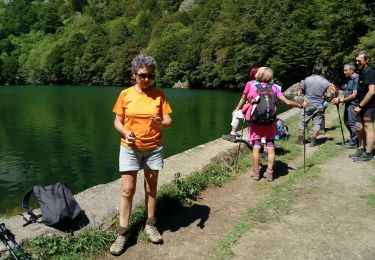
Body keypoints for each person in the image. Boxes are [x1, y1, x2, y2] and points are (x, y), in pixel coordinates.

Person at [110, 54, 172, 255]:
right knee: (127, 190)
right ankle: (123, 232)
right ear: (134, 74)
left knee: (151, 187)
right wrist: (126, 133)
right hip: (129, 149)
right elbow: (117, 122)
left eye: (151, 76)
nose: (147, 79)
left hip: (153, 148)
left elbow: (168, 122)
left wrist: (160, 122)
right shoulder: (125, 94)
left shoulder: (159, 95)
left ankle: (150, 223)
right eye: (143, 75)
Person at [248, 67, 304, 182]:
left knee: (256, 147)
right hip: (270, 122)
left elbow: (250, 102)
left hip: (256, 123)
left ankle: (256, 172)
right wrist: (300, 105)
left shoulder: (253, 87)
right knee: (270, 146)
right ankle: (269, 173)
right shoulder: (274, 88)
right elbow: (287, 102)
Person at [296, 64, 330, 147]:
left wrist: (306, 95)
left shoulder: (307, 79)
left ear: (313, 71)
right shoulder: (325, 81)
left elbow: (302, 90)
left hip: (308, 104)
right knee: (317, 124)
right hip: (319, 105)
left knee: (303, 122)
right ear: (321, 71)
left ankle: (301, 140)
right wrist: (324, 98)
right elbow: (329, 95)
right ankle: (313, 141)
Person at [222, 66, 259, 142]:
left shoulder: (250, 84)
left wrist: (236, 109)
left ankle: (233, 134)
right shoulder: (266, 85)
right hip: (263, 112)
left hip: (253, 111)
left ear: (252, 74)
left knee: (235, 114)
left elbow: (243, 98)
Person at [350, 51, 375, 162]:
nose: (357, 62)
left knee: (368, 128)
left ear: (367, 60)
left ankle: (368, 153)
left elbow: (372, 92)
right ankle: (361, 149)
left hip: (368, 106)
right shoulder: (362, 71)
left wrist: (360, 106)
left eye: (359, 60)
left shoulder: (370, 71)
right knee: (359, 127)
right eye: (356, 60)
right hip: (361, 106)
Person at [332, 63, 359, 148]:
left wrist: (341, 100)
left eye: (346, 70)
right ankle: (354, 139)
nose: (344, 72)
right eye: (344, 70)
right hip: (348, 104)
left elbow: (354, 95)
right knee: (347, 122)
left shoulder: (356, 79)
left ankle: (354, 142)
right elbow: (348, 92)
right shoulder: (350, 79)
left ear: (352, 70)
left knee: (352, 123)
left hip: (353, 105)